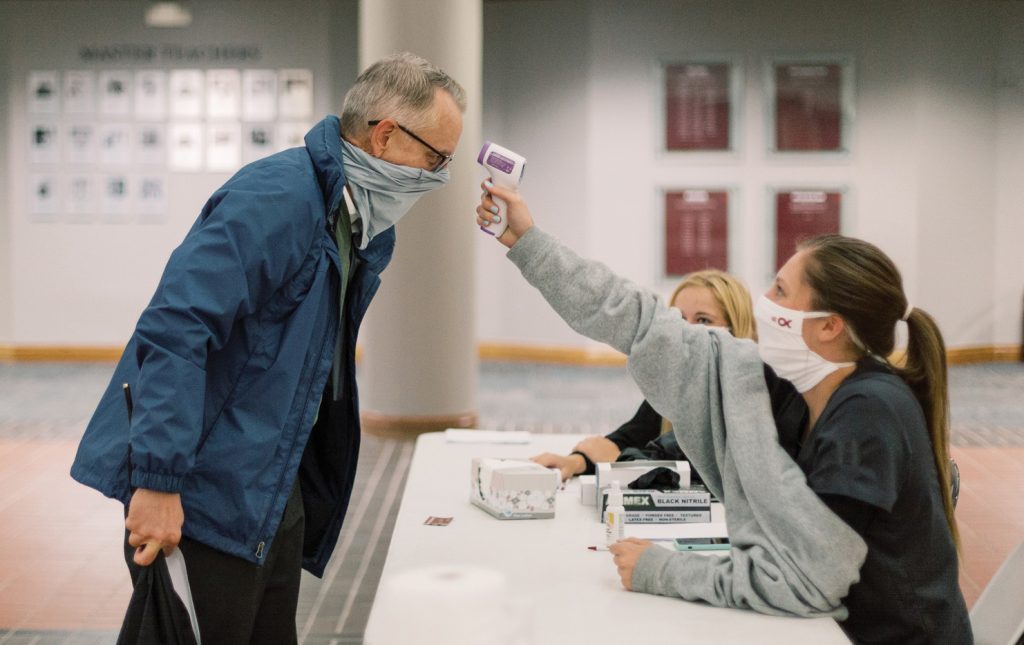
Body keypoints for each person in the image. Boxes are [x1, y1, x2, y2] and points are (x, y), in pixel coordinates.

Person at [70, 52, 465, 644]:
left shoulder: (349, 219)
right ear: (384, 136)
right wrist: (156, 482)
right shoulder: (279, 198)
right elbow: (176, 329)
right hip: (202, 500)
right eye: (435, 158)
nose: (439, 176)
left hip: (270, 491)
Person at [476, 182, 971, 644]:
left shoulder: (869, 413)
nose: (764, 302)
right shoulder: (787, 385)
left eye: (781, 290)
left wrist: (662, 571)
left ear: (828, 327)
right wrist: (528, 242)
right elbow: (635, 316)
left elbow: (806, 582)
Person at [531, 270, 757, 481]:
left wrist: (618, 462)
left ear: (735, 329)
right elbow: (629, 437)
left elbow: (693, 471)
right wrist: (577, 461)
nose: (687, 331)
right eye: (678, 319)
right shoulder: (677, 384)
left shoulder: (748, 396)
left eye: (703, 320)